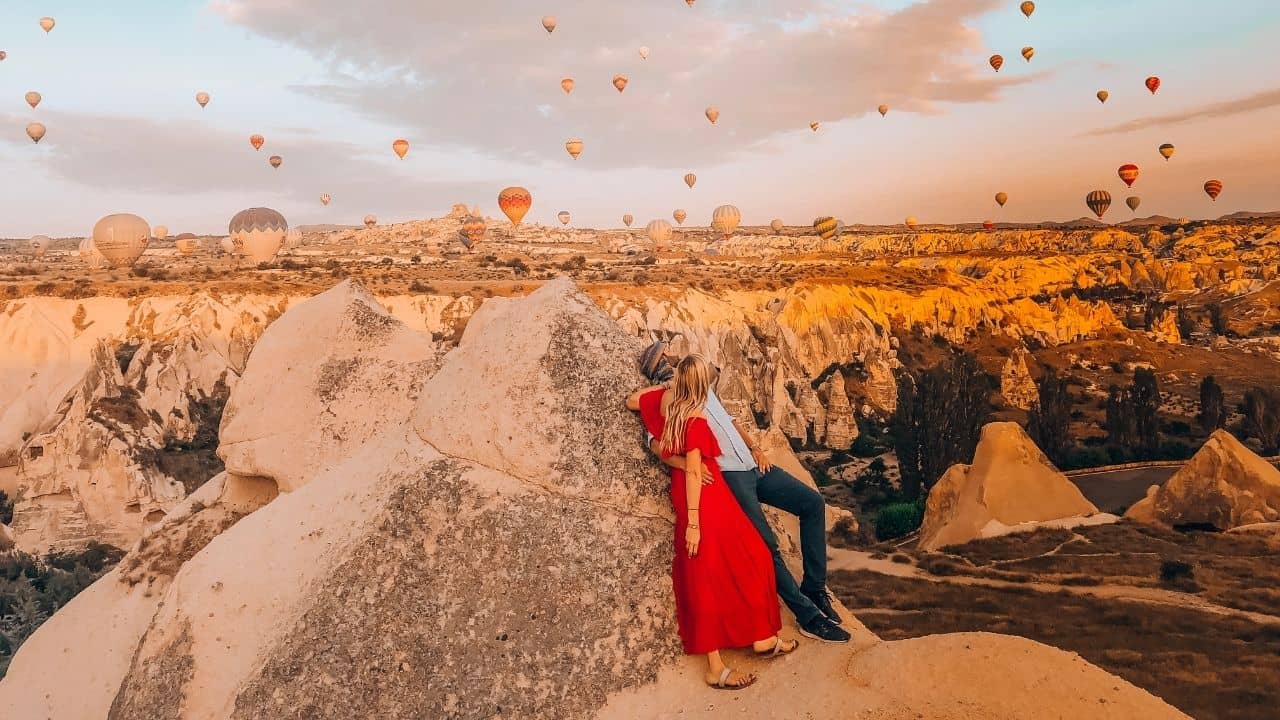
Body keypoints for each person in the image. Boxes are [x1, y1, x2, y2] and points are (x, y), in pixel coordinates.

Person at [637, 341, 851, 644]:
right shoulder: (666, 400)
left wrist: (755, 447)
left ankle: (814, 588)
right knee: (768, 545)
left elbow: (731, 422)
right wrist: (686, 464)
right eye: (664, 356)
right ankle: (809, 617)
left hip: (752, 464)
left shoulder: (700, 386)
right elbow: (655, 443)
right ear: (657, 368)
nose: (672, 358)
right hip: (731, 477)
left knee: (812, 503)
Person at [627, 355, 798, 690]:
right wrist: (694, 523)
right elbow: (694, 470)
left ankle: (762, 637)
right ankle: (715, 667)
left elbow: (632, 402)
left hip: (700, 490)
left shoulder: (664, 402)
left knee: (749, 556)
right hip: (704, 497)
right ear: (702, 386)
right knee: (713, 569)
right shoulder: (695, 416)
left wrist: (660, 429)